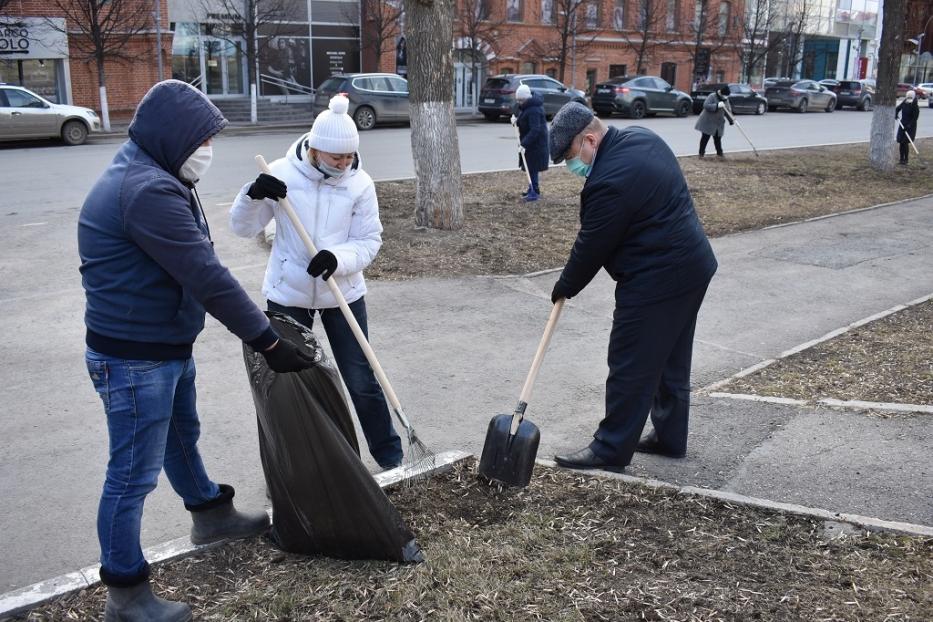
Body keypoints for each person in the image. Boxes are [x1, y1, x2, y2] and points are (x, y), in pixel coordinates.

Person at [78, 80, 316, 621]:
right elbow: (205, 275)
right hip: (134, 357)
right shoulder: (147, 190)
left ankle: (211, 515)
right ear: (172, 136)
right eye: (200, 140)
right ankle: (126, 594)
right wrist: (267, 339)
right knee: (131, 475)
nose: (206, 151)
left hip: (159, 343)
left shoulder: (154, 170)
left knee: (182, 436)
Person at [230, 94, 404, 470]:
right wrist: (252, 195)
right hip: (288, 292)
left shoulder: (360, 184)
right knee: (290, 385)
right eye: (335, 157)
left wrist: (337, 260)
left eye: (348, 157)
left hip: (343, 290)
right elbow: (242, 228)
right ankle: (296, 468)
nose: (344, 164)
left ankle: (391, 458)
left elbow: (369, 241)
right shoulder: (281, 173)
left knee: (361, 379)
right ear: (314, 149)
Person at [547, 102, 718, 472]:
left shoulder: (608, 181)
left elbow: (592, 245)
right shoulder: (641, 138)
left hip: (658, 278)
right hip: (693, 266)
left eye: (570, 156)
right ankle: (670, 437)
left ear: (590, 140)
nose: (569, 166)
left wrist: (565, 286)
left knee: (629, 362)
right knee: (671, 358)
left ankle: (609, 450)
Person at [512, 83, 549, 202]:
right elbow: (524, 121)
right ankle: (532, 188)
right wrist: (516, 121)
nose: (519, 103)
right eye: (518, 100)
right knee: (530, 167)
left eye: (521, 100)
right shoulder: (527, 107)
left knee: (532, 167)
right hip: (531, 143)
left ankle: (534, 190)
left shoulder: (534, 110)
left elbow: (535, 129)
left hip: (536, 144)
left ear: (527, 98)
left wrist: (524, 144)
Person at [695, 85, 733, 158]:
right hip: (708, 121)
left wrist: (731, 120)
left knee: (717, 139)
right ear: (721, 93)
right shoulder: (712, 96)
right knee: (705, 138)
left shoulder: (726, 100)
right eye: (725, 95)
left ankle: (720, 154)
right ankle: (701, 154)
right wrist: (717, 105)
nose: (726, 97)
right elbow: (706, 105)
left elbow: (728, 111)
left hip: (718, 123)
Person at [895, 89, 920, 166]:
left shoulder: (915, 106)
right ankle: (901, 159)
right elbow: (898, 108)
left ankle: (906, 160)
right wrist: (896, 114)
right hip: (902, 124)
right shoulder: (905, 102)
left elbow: (915, 118)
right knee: (901, 142)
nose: (908, 98)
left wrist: (908, 126)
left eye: (910, 97)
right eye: (907, 97)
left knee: (905, 143)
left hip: (910, 127)